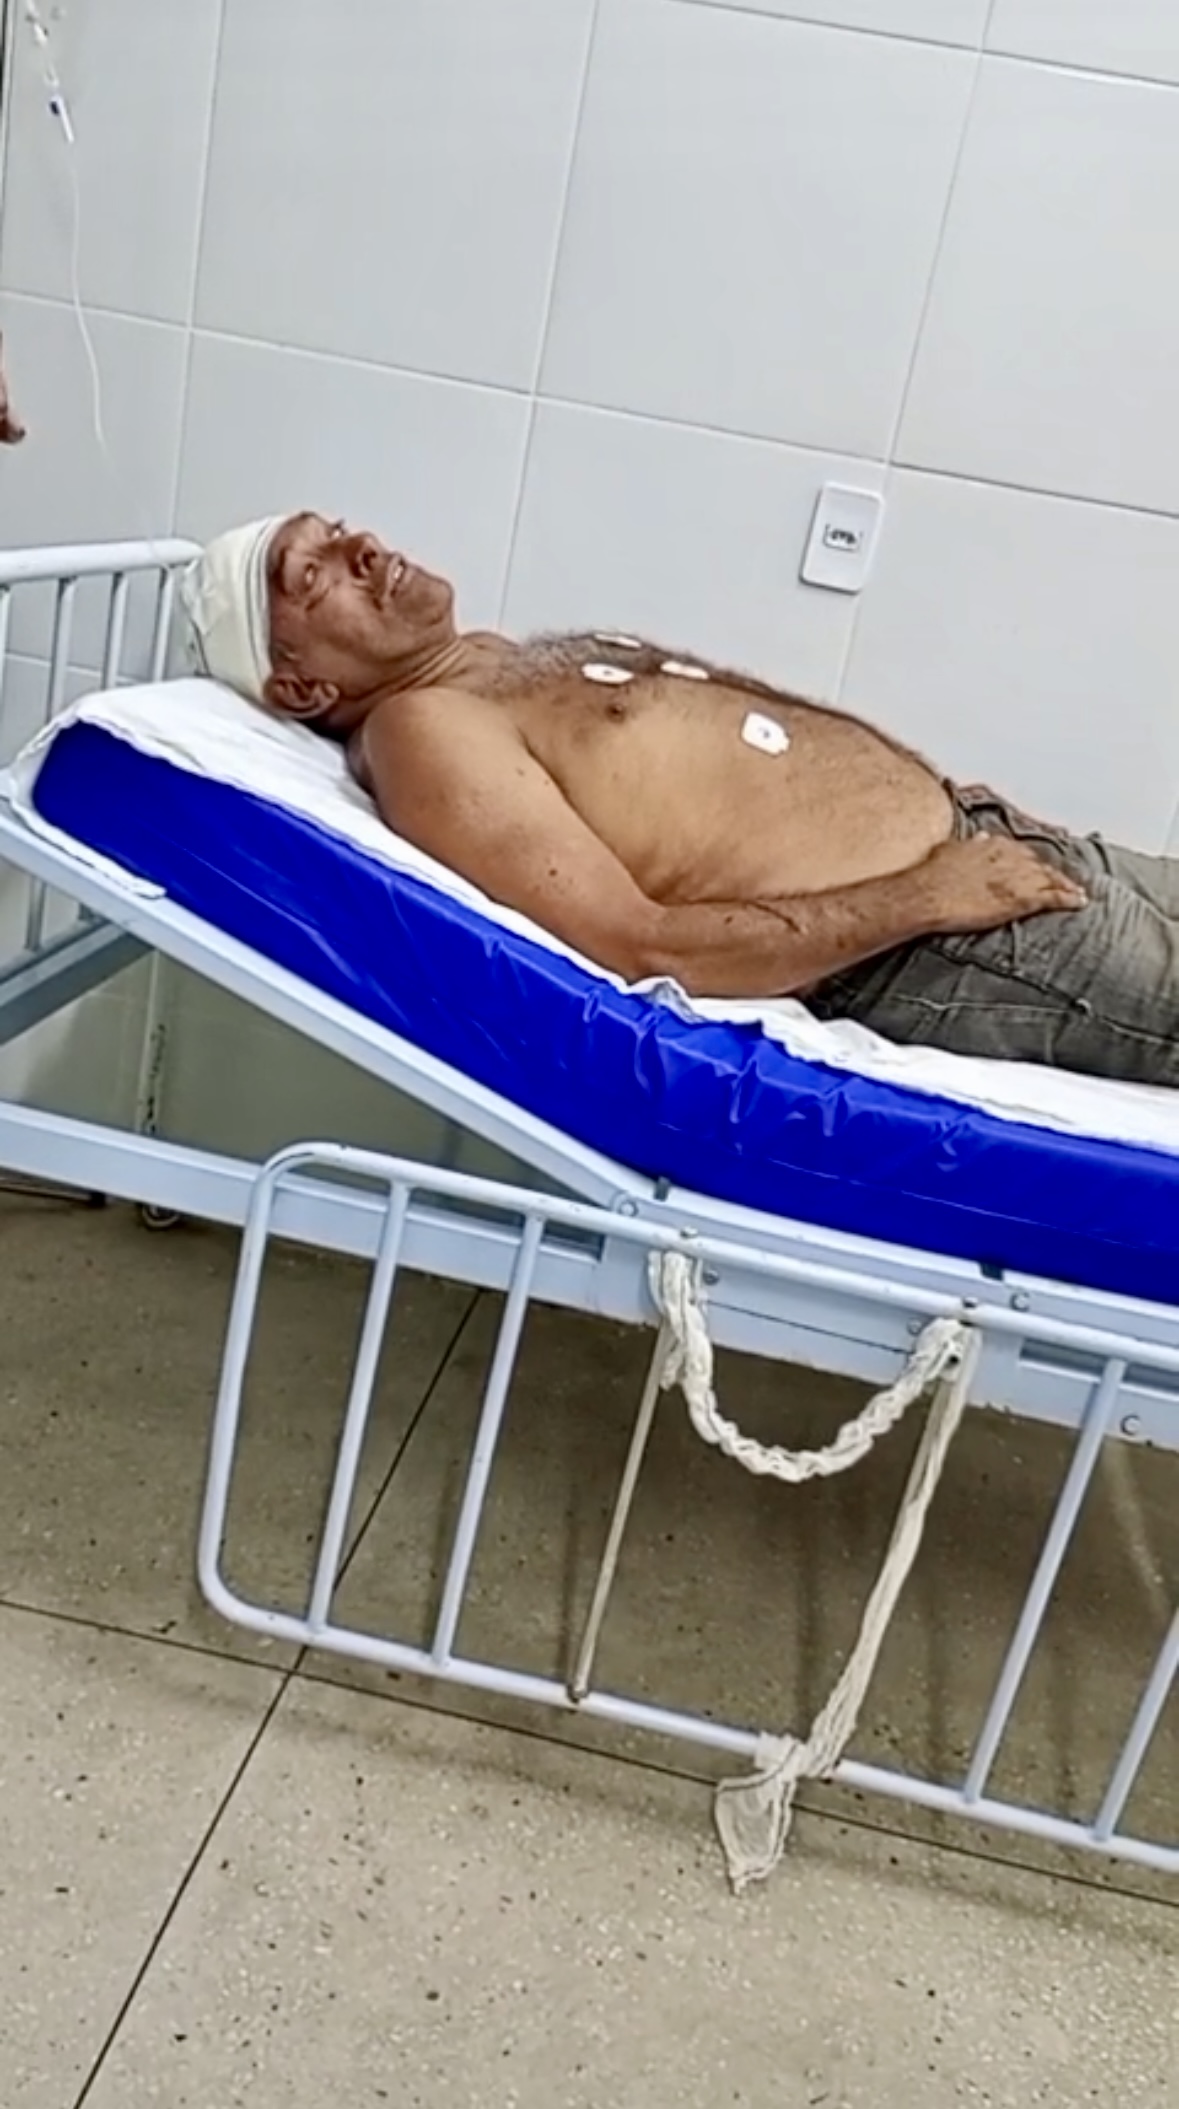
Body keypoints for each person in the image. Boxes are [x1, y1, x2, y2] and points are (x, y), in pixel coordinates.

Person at [182, 511, 1179, 1089]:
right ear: (301, 688)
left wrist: (944, 811)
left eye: (338, 532)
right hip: (946, 941)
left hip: (993, 853)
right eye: (313, 574)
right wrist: (922, 896)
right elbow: (635, 944)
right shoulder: (421, 730)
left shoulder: (484, 666)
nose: (361, 546)